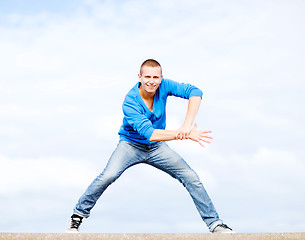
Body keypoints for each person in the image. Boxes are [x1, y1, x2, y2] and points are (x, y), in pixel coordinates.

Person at [66, 59, 234, 233]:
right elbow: (150, 133)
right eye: (147, 77)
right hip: (131, 145)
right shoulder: (130, 101)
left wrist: (187, 126)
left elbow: (195, 92)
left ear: (161, 78)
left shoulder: (164, 86)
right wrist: (182, 134)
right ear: (139, 77)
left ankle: (215, 224)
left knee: (191, 177)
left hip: (156, 148)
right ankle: (77, 215)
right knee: (108, 175)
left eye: (155, 77)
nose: (151, 81)